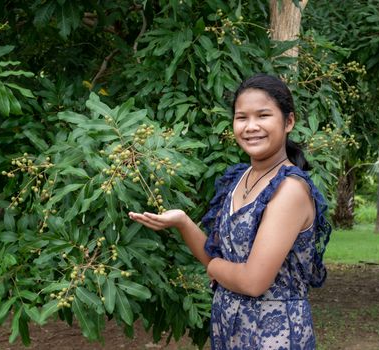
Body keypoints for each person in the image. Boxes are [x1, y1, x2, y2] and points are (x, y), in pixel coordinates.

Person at [128, 73, 332, 349]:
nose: (251, 127)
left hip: (274, 336)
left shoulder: (289, 190)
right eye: (241, 117)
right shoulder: (239, 179)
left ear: (289, 121)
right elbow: (218, 256)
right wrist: (182, 222)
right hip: (229, 327)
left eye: (263, 116)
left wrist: (215, 268)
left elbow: (252, 282)